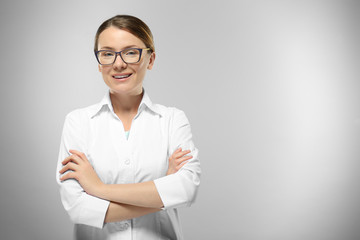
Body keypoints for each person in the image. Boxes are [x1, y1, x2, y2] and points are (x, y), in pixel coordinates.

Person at [55, 15, 201, 240]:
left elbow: (186, 190)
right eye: (107, 53)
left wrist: (98, 189)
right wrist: (162, 191)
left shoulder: (173, 119)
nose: (118, 63)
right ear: (99, 62)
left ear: (150, 59)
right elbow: (77, 208)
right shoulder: (78, 122)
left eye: (131, 52)